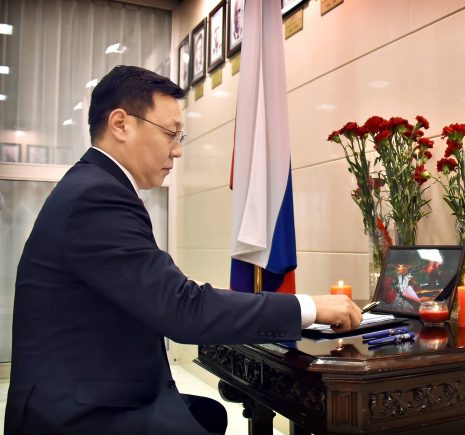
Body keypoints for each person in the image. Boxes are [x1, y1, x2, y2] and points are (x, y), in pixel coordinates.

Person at [4, 65, 362, 435]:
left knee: (211, 413)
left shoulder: (95, 185)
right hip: (79, 414)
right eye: (170, 133)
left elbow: (159, 294)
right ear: (121, 124)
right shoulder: (96, 197)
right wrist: (309, 307)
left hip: (99, 391)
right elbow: (181, 309)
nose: (177, 150)